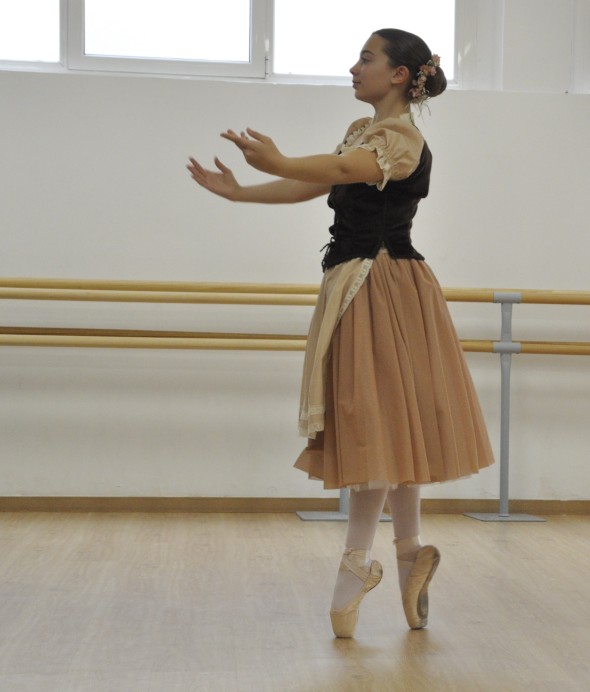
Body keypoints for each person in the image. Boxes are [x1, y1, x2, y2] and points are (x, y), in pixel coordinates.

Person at [187, 28, 495, 638]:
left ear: (401, 76)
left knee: (373, 420)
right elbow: (324, 180)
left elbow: (336, 168)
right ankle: (409, 558)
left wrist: (275, 159)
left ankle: (358, 565)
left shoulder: (400, 137)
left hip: (383, 286)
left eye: (367, 59)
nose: (355, 68)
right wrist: (245, 193)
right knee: (391, 423)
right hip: (363, 282)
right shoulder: (367, 133)